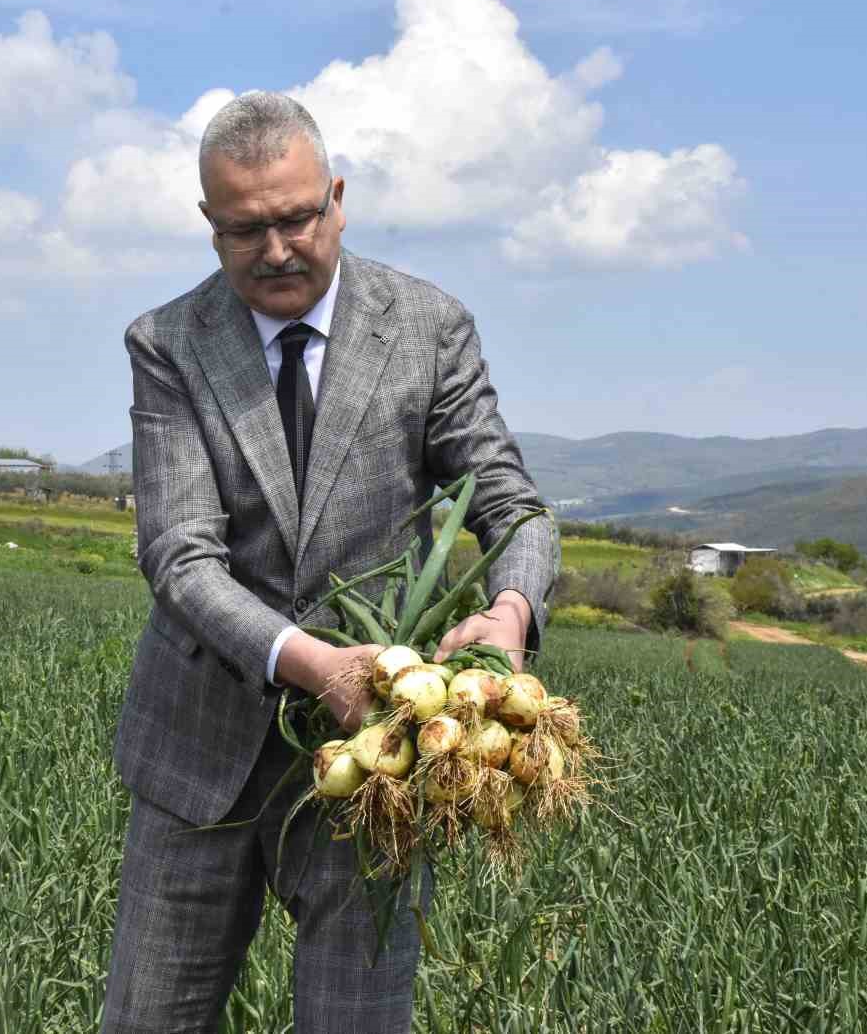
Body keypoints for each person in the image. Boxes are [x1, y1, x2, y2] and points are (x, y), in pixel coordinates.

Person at [101, 91, 554, 1032]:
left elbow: (512, 507)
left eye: (298, 218)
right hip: (199, 754)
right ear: (208, 225)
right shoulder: (169, 344)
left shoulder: (427, 327)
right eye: (244, 229)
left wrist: (507, 616)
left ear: (337, 197)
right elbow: (180, 559)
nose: (277, 250)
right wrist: (319, 667)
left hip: (382, 762)